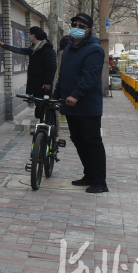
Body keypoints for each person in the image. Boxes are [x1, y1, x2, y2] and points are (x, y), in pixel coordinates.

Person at [53, 13, 108, 193]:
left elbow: (89, 77)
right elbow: (64, 76)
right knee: (78, 140)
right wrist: (56, 95)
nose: (77, 28)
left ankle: (100, 182)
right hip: (69, 105)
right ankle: (89, 175)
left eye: (82, 26)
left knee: (91, 141)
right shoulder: (69, 48)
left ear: (89, 29)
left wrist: (76, 95)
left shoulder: (94, 49)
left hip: (87, 106)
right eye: (75, 24)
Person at [0, 26, 55, 119]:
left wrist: (48, 82)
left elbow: (50, 67)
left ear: (33, 36)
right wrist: (4, 45)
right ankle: (41, 129)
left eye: (30, 34)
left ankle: (47, 129)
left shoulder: (46, 48)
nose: (28, 36)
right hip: (36, 83)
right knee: (40, 106)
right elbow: (20, 50)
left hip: (44, 85)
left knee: (44, 107)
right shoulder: (34, 48)